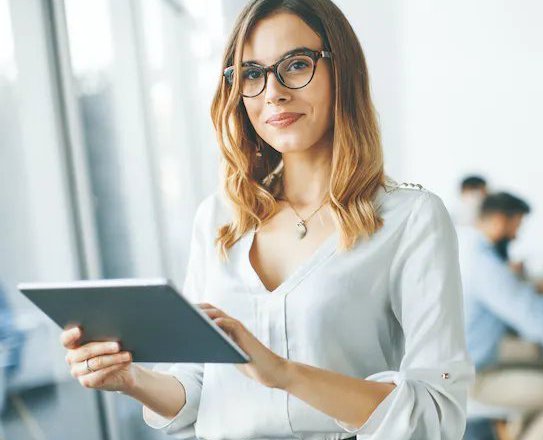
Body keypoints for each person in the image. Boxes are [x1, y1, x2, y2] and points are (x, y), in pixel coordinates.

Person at [58, 1, 473, 438]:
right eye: (252, 74)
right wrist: (131, 380)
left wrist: (285, 374)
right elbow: (199, 387)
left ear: (343, 70)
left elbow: (436, 414)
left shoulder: (411, 219)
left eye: (296, 65)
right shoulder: (220, 217)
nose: (273, 92)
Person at [458, 192, 543, 440]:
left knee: (541, 361)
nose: (517, 235)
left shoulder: (470, 248)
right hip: (475, 379)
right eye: (516, 226)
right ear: (500, 220)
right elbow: (535, 324)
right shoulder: (484, 265)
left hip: (464, 365)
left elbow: (520, 301)